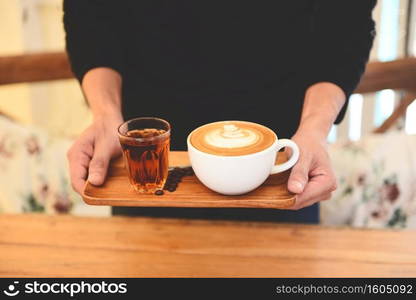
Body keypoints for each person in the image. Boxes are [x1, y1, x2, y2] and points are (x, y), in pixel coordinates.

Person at [64, 0, 376, 223]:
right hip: (150, 165)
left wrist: (313, 129)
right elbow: (91, 16)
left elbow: (345, 22)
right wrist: (105, 114)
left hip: (280, 168)